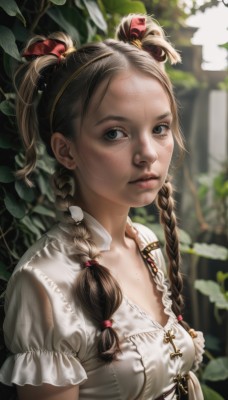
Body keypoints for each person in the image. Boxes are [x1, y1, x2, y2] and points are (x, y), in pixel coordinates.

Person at [0, 13, 204, 400]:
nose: (148, 154)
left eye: (160, 128)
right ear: (66, 149)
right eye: (115, 133)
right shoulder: (44, 284)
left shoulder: (143, 242)